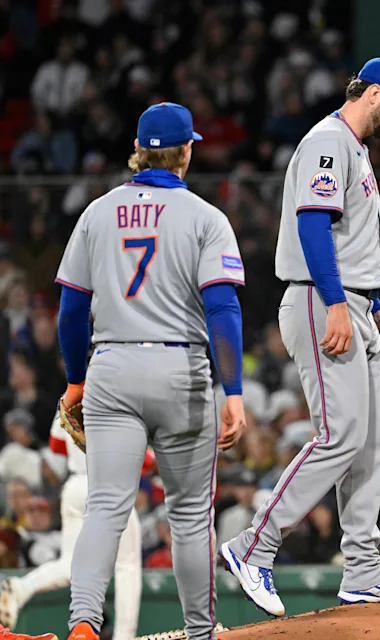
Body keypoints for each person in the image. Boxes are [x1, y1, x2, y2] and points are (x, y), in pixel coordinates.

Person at [219, 58, 380, 616]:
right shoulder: (328, 140)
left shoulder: (354, 148)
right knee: (338, 434)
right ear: (376, 93)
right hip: (321, 302)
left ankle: (362, 569)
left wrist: (379, 316)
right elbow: (313, 224)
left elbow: (352, 248)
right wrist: (338, 303)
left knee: (373, 438)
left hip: (353, 303)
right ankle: (253, 547)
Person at [56, 102, 246, 640]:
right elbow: (223, 311)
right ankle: (200, 632)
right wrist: (232, 389)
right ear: (187, 150)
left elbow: (71, 310)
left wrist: (76, 380)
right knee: (188, 516)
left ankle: (85, 623)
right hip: (179, 368)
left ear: (140, 151)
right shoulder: (207, 217)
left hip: (111, 366)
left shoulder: (96, 212)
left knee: (105, 508)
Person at [0, 415, 141, 638]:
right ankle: (124, 636)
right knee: (126, 566)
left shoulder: (72, 393)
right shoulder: (122, 392)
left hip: (76, 485)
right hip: (109, 483)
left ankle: (23, 588)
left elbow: (57, 445)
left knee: (71, 564)